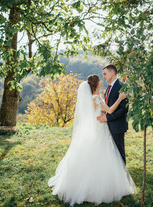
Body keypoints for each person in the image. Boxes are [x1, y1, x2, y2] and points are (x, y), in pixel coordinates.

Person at [48, 75, 137, 206]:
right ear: (96, 84)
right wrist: (120, 98)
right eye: (100, 79)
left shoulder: (92, 98)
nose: (102, 80)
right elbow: (111, 110)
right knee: (101, 157)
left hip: (96, 129)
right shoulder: (95, 98)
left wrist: (102, 114)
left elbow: (97, 113)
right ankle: (95, 189)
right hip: (99, 131)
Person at [97, 65, 128, 164]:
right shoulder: (109, 87)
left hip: (117, 126)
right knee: (110, 154)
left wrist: (107, 117)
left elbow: (124, 109)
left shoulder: (122, 87)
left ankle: (122, 178)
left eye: (105, 74)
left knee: (119, 154)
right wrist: (103, 113)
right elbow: (108, 105)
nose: (104, 77)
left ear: (112, 73)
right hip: (106, 127)